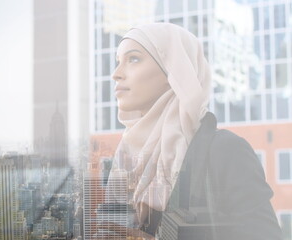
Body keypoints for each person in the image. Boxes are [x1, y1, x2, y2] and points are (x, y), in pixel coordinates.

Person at [98, 22, 283, 239]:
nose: (116, 74)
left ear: (174, 70)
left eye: (133, 59)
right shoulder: (127, 160)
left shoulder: (225, 150)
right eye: (118, 62)